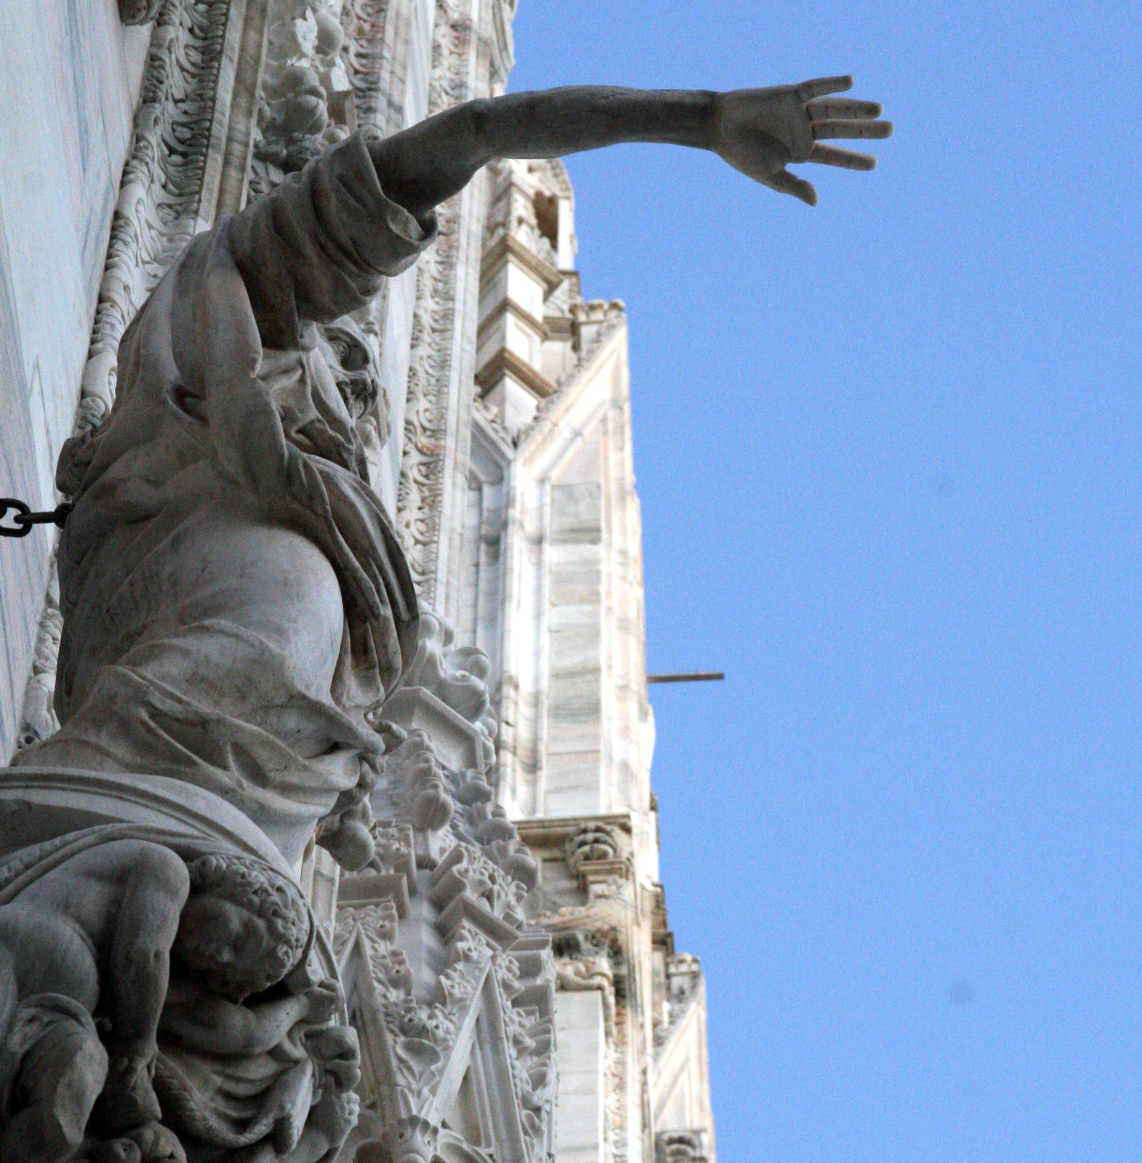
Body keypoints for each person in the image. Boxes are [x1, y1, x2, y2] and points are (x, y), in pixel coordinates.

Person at [25, 79, 889, 869]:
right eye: (345, 364)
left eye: (356, 389)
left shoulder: (320, 491)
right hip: (182, 590)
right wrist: (698, 118)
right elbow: (475, 131)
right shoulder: (247, 295)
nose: (353, 383)